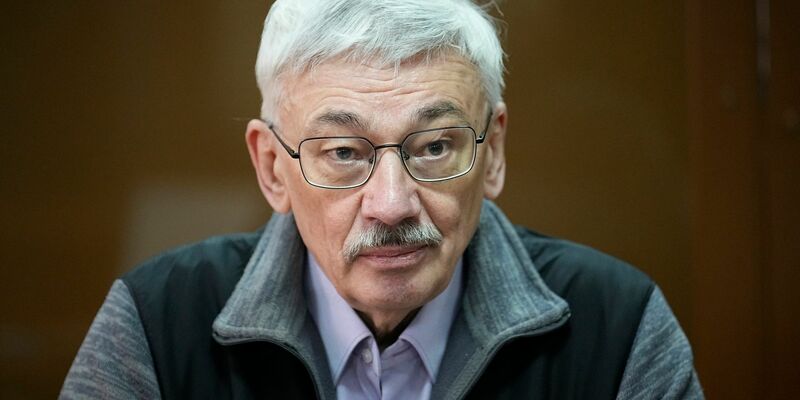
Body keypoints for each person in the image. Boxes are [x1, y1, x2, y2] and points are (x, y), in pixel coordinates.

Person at [61, 0, 703, 398]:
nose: (391, 205)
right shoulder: (155, 327)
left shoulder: (617, 331)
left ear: (494, 152)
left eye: (432, 148)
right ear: (272, 169)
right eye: (343, 153)